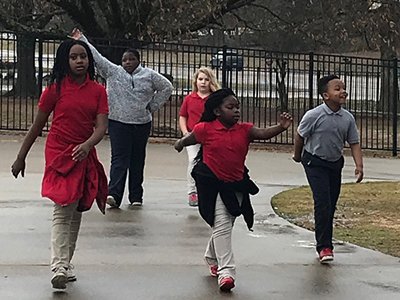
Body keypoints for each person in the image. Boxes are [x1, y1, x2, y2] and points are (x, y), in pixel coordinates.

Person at [11, 39, 109, 289]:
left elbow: (101, 127)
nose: (79, 61)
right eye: (74, 57)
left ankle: (66, 263)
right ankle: (58, 265)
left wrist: (87, 146)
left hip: (83, 153)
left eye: (83, 57)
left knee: (76, 209)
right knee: (63, 206)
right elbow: (37, 126)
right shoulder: (54, 89)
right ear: (65, 61)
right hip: (58, 152)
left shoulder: (98, 91)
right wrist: (21, 156)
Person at [174, 88, 292, 292]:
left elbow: (262, 133)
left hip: (236, 184)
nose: (236, 111)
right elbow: (190, 139)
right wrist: (179, 143)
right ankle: (226, 272)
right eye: (231, 107)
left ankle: (211, 256)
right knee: (221, 224)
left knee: (226, 223)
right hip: (213, 184)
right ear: (217, 111)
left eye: (238, 107)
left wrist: (281, 127)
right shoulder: (206, 129)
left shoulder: (244, 130)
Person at [70, 28, 173, 208]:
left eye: (131, 59)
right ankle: (114, 194)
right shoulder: (114, 72)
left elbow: (167, 87)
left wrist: (152, 105)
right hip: (119, 123)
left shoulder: (149, 75)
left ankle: (136, 196)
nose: (127, 62)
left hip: (141, 124)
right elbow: (98, 58)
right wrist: (82, 39)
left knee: (137, 160)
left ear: (138, 60)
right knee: (119, 159)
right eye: (124, 60)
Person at [293, 75, 364, 264]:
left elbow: (354, 142)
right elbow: (300, 136)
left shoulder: (347, 118)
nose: (342, 91)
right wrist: (297, 155)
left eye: (343, 88)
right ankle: (324, 246)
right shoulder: (314, 115)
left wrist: (359, 166)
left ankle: (324, 237)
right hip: (314, 162)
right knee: (323, 201)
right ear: (325, 95)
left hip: (334, 163)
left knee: (330, 204)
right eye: (337, 88)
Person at [179, 67, 220, 206]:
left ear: (211, 82)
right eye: (200, 79)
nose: (203, 82)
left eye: (206, 80)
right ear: (195, 81)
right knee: (193, 161)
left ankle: (208, 190)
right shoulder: (189, 99)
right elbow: (183, 116)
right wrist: (185, 133)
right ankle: (192, 192)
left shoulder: (215, 99)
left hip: (210, 137)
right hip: (193, 137)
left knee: (210, 163)